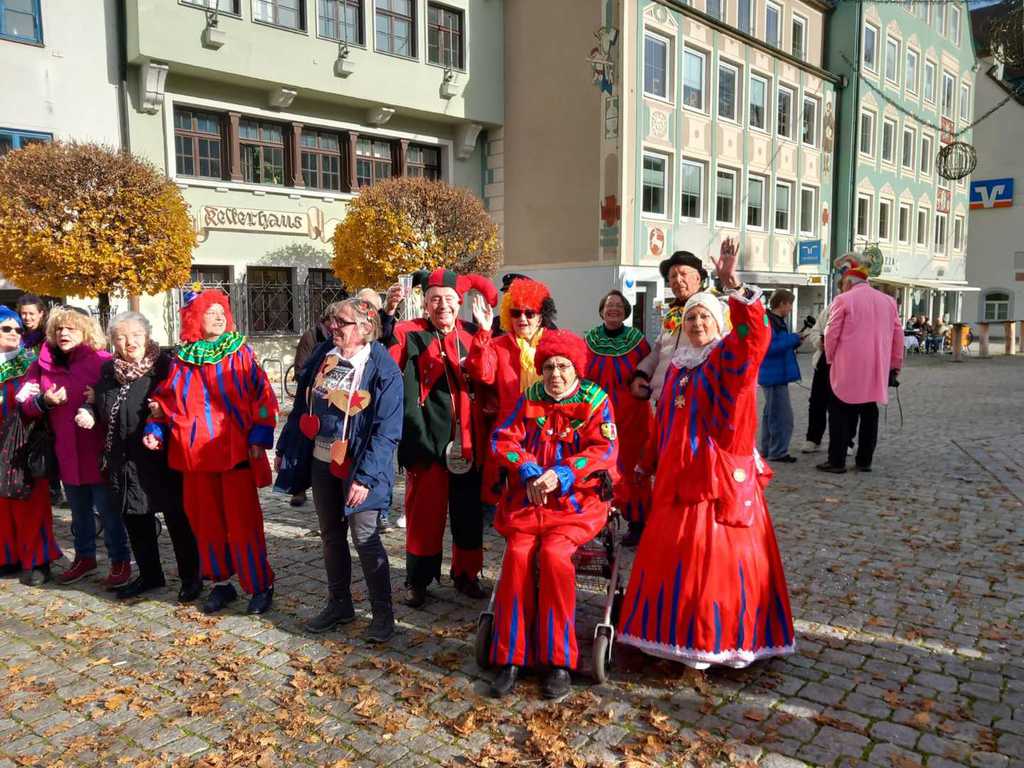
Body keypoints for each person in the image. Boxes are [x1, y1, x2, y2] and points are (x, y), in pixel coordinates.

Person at [618, 242, 796, 669]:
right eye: (692, 318)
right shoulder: (679, 366)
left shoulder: (726, 361)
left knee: (710, 560)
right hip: (674, 477)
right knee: (670, 555)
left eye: (705, 317)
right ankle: (669, 635)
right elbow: (664, 421)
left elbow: (753, 341)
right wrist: (646, 462)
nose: (697, 323)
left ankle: (715, 640)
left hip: (713, 478)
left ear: (718, 324)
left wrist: (733, 286)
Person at [487, 329, 618, 700]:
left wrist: (564, 473)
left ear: (576, 368)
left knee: (555, 557)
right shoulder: (529, 397)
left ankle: (559, 660)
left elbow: (605, 450)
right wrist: (527, 467)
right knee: (517, 555)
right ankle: (510, 656)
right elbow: (503, 438)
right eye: (548, 367)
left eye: (563, 366)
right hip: (530, 502)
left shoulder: (596, 400)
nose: (555, 374)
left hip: (576, 504)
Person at [144, 289, 279, 614]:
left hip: (234, 454)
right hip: (194, 457)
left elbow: (263, 395)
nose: (219, 317)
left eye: (222, 311)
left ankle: (259, 584)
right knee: (206, 524)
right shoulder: (182, 360)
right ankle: (222, 583)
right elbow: (165, 399)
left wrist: (260, 433)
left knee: (243, 523)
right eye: (210, 312)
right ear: (195, 318)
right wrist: (155, 426)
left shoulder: (240, 352)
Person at [276, 298, 402, 642]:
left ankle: (383, 615)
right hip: (322, 460)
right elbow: (301, 405)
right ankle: (339, 605)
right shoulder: (323, 356)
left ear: (365, 328)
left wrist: (366, 478)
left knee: (365, 537)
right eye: (332, 320)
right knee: (331, 535)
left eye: (341, 322)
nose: (333, 326)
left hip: (360, 467)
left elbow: (387, 431)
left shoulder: (383, 368)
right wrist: (286, 447)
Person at [385, 268, 498, 608]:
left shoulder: (474, 333)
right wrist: (387, 314)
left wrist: (485, 332)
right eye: (435, 299)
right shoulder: (408, 332)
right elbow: (387, 361)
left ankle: (466, 574)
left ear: (460, 303)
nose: (442, 305)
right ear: (425, 303)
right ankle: (418, 580)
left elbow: (486, 375)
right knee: (424, 516)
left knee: (468, 515)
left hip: (467, 442)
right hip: (426, 440)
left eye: (449, 299)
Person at [92, 312, 201, 601]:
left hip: (163, 458)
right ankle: (150, 575)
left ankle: (191, 577)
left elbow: (188, 403)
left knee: (178, 519)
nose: (129, 342)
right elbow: (101, 404)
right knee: (136, 519)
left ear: (148, 336)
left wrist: (165, 412)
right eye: (121, 337)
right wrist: (88, 409)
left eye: (136, 335)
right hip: (125, 459)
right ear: (113, 342)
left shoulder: (166, 367)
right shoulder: (108, 372)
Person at [21, 306, 132, 587]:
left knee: (108, 511)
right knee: (79, 511)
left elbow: (123, 399)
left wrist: (98, 399)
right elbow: (25, 404)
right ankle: (85, 557)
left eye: (71, 328)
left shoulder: (103, 361)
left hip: (98, 450)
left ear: (85, 331)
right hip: (66, 452)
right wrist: (44, 401)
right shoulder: (41, 364)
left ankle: (119, 560)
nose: (64, 333)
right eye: (59, 328)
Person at [465, 278, 557, 507]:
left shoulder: (554, 345)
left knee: (547, 495)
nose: (522, 319)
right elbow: (482, 372)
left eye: (530, 313)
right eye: (516, 313)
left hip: (548, 430)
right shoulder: (498, 345)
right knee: (512, 500)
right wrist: (484, 331)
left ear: (541, 315)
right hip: (510, 432)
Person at [816, 252, 903, 474]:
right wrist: (894, 365)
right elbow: (897, 336)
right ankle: (864, 461)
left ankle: (837, 461)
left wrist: (830, 358)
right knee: (869, 413)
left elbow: (831, 333)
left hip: (847, 366)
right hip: (876, 368)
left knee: (839, 413)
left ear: (848, 281)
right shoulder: (888, 301)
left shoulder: (843, 300)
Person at [584, 290, 653, 547]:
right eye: (609, 305)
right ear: (601, 311)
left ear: (626, 311)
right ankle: (599, 519)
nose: (613, 309)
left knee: (633, 468)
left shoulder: (638, 341)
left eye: (618, 305)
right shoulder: (589, 340)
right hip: (599, 414)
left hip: (632, 415)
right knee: (599, 465)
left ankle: (637, 521)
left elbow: (648, 371)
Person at [0, 306, 62, 584]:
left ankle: (38, 560)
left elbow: (42, 405)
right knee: (2, 506)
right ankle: (8, 556)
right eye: (6, 328)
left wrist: (30, 402)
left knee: (30, 503)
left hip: (23, 446)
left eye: (18, 329)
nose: (15, 333)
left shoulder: (30, 364)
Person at [630, 250, 710, 405]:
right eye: (673, 276)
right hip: (663, 399)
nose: (677, 280)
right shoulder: (671, 315)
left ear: (698, 278)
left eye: (683, 274)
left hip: (694, 401)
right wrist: (641, 374)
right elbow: (658, 352)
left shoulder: (713, 310)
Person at [289, 308, 334, 508]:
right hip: (310, 398)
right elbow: (301, 368)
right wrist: (316, 382)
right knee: (300, 442)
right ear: (327, 319)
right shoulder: (311, 336)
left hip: (330, 402)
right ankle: (298, 488)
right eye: (334, 320)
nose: (336, 326)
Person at [758, 289, 802, 464]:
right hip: (774, 375)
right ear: (782, 303)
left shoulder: (773, 320)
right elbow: (769, 347)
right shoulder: (769, 321)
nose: (790, 308)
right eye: (790, 304)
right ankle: (778, 451)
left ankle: (767, 449)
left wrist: (794, 341)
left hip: (774, 374)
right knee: (782, 417)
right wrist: (793, 339)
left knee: (770, 414)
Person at [801, 306, 834, 454]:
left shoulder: (856, 308)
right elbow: (815, 331)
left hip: (846, 362)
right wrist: (819, 342)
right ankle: (813, 438)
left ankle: (845, 441)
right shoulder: (829, 309)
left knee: (842, 405)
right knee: (816, 402)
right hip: (823, 360)